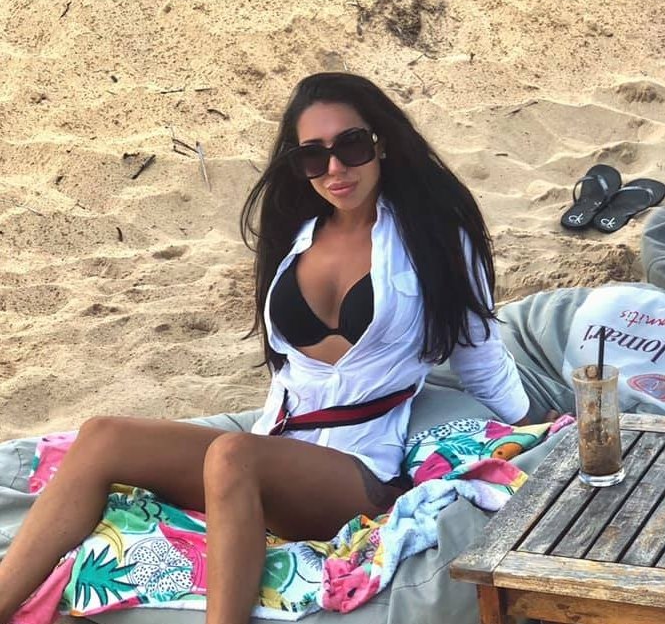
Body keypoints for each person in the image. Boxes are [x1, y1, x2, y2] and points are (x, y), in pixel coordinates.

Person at [0, 72, 529, 624]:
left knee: (233, 455)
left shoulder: (436, 238)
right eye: (313, 156)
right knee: (103, 435)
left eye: (351, 145)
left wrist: (534, 428)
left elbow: (479, 353)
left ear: (382, 143)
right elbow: (286, 373)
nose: (334, 168)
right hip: (272, 447)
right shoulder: (296, 234)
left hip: (356, 473)